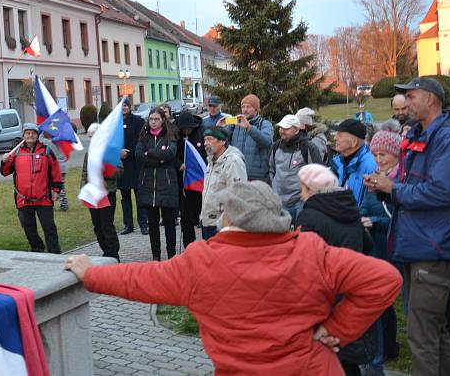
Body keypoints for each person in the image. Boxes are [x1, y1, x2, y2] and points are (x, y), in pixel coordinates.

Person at [64, 180, 402, 375]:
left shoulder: (200, 262)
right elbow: (384, 280)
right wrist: (336, 330)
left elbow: (139, 279)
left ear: (231, 216)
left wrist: (90, 273)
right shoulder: (311, 250)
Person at [365, 77, 450, 376]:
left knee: (420, 334)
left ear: (432, 100)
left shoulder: (449, 138)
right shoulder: (420, 134)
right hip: (418, 242)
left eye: (412, 97)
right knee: (432, 331)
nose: (406, 103)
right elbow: (413, 183)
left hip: (435, 244)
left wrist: (395, 189)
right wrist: (387, 186)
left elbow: (445, 191)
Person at [294, 164, 374, 375]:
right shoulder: (350, 209)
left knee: (325, 355)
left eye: (302, 188)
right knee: (346, 356)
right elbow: (367, 246)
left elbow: (303, 262)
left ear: (310, 189)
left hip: (322, 294)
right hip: (350, 288)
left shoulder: (309, 216)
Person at [360, 130, 401, 373]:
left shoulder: (400, 180)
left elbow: (399, 216)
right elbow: (364, 205)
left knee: (394, 300)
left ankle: (389, 347)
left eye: (383, 154)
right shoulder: (373, 178)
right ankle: (381, 352)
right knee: (379, 301)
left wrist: (373, 219)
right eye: (375, 154)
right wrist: (363, 217)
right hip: (376, 246)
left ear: (395, 154)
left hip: (395, 246)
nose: (379, 159)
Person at [0, 123, 63, 254]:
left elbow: (55, 171)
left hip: (43, 198)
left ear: (37, 135)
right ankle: (37, 248)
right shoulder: (16, 152)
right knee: (28, 227)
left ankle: (55, 252)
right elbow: (5, 172)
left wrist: (56, 190)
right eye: (27, 133)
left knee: (49, 227)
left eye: (33, 133)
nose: (30, 135)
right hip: (23, 199)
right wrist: (4, 161)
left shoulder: (46, 151)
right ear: (23, 136)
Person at [135, 107, 179, 261]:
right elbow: (139, 155)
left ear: (162, 120)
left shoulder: (169, 136)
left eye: (156, 119)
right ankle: (156, 256)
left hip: (166, 184)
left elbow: (170, 154)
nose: (153, 122)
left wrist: (151, 153)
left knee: (169, 223)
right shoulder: (144, 136)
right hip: (148, 185)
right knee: (153, 225)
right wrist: (158, 158)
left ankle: (172, 254)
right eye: (151, 119)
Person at [269, 114, 321, 221]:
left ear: (296, 129)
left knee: (300, 232)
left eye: (286, 128)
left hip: (300, 202)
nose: (282, 131)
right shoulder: (276, 147)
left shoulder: (308, 147)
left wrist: (308, 197)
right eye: (281, 128)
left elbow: (318, 174)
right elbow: (271, 170)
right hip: (279, 200)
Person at [81, 123, 120, 261]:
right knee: (97, 226)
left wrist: (107, 172)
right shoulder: (89, 152)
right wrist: (84, 189)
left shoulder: (110, 152)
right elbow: (85, 172)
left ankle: (113, 254)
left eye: (92, 136)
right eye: (89, 136)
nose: (90, 139)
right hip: (93, 194)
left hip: (107, 194)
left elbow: (119, 171)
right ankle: (105, 252)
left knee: (106, 225)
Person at [200, 127, 246, 240]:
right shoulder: (211, 161)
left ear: (223, 141)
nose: (205, 143)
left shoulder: (233, 162)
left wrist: (226, 223)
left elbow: (237, 195)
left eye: (210, 139)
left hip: (222, 226)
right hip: (208, 222)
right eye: (205, 140)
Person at [220, 94, 273, 183]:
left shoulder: (264, 124)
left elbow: (267, 142)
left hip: (256, 177)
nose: (245, 110)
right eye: (243, 107)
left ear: (256, 109)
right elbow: (222, 142)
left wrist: (249, 127)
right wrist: (220, 128)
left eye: (249, 107)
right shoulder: (235, 123)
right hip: (236, 173)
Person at [176, 111, 206, 247]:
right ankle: (189, 245)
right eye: (184, 130)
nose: (186, 132)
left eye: (188, 129)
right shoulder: (175, 135)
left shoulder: (202, 132)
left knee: (205, 215)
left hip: (200, 182)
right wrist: (178, 164)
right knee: (186, 217)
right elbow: (172, 154)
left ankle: (207, 244)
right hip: (184, 183)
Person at [330, 119, 377, 207]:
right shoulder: (339, 162)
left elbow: (372, 206)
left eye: (340, 135)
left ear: (354, 142)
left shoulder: (370, 165)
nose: (335, 138)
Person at [116, 99, 147, 235]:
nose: (124, 108)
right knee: (125, 197)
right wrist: (118, 152)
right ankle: (128, 225)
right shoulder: (115, 123)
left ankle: (143, 224)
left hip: (134, 164)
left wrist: (128, 152)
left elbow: (139, 139)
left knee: (139, 195)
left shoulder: (138, 121)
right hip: (122, 165)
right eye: (121, 106)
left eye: (126, 105)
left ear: (130, 107)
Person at [41, 132, 69, 212]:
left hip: (56, 168)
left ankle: (54, 203)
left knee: (51, 186)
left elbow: (41, 141)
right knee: (61, 186)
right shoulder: (59, 141)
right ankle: (64, 204)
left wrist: (41, 131)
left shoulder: (47, 142)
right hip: (63, 166)